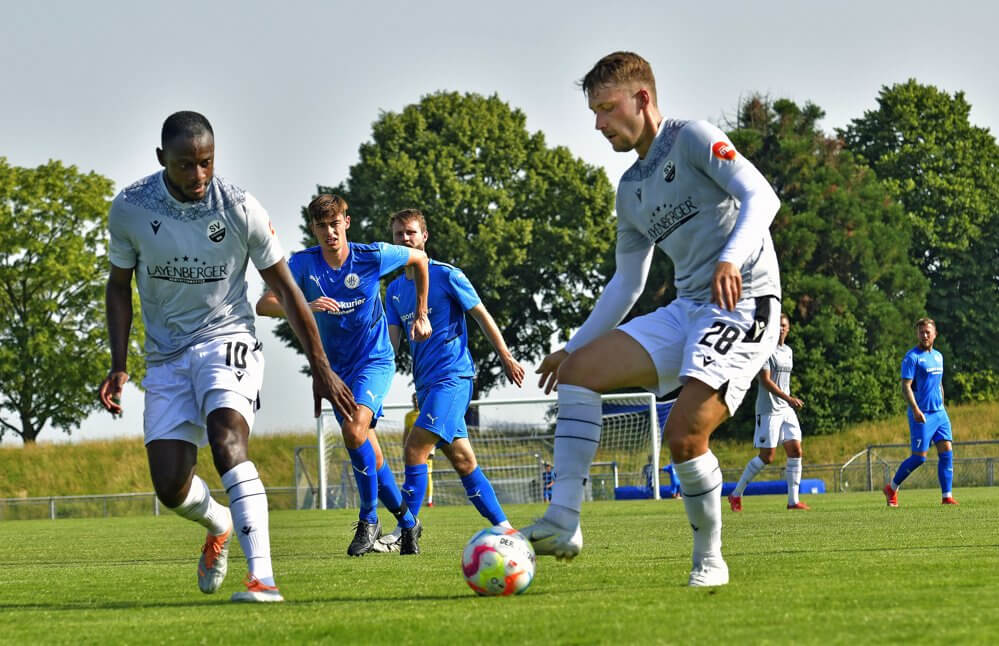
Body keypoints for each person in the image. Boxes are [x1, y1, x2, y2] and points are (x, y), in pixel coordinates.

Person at [523, 52, 782, 588]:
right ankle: (564, 519)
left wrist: (732, 258)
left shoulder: (692, 139)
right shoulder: (630, 190)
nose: (598, 123)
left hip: (745, 301)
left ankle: (710, 559)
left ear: (642, 99)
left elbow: (761, 195)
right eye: (594, 112)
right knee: (578, 375)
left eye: (606, 108)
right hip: (687, 308)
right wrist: (573, 347)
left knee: (686, 436)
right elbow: (627, 283)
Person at [97, 111, 356, 603]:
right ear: (161, 160)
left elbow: (285, 286)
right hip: (167, 356)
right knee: (170, 486)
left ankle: (262, 578)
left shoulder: (240, 208)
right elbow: (117, 288)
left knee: (227, 438)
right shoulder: (130, 208)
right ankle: (218, 523)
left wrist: (321, 367)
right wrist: (119, 364)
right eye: (185, 165)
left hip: (228, 337)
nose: (198, 176)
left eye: (207, 163)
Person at [255, 194, 432, 556]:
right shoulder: (303, 265)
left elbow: (421, 258)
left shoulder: (372, 256)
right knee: (372, 455)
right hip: (336, 371)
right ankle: (410, 524)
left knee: (354, 431)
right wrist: (304, 305)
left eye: (335, 224)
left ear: (346, 222)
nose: (329, 232)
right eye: (322, 226)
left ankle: (369, 520)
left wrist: (421, 311)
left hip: (374, 360)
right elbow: (264, 303)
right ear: (313, 229)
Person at [377, 208, 526, 554]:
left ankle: (406, 529)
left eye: (411, 233)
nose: (405, 240)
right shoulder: (395, 290)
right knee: (464, 461)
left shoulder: (447, 276)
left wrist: (505, 356)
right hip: (427, 386)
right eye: (399, 235)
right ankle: (507, 529)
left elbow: (481, 315)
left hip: (454, 379)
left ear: (424, 237)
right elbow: (392, 345)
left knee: (415, 446)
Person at [728, 313, 810, 511]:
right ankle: (735, 494)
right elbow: (765, 380)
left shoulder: (788, 351)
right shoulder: (765, 350)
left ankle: (793, 501)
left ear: (789, 328)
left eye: (784, 325)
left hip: (786, 409)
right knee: (767, 457)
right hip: (769, 409)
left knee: (796, 450)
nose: (781, 328)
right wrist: (789, 398)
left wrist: (788, 402)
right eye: (778, 325)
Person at [884, 318, 958, 507]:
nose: (924, 335)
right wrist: (916, 410)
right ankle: (892, 487)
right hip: (922, 414)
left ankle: (946, 497)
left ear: (935, 334)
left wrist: (942, 403)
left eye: (928, 332)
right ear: (917, 334)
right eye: (921, 332)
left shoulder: (939, 356)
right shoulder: (912, 357)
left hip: (940, 413)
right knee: (919, 458)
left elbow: (939, 384)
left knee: (947, 451)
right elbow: (906, 386)